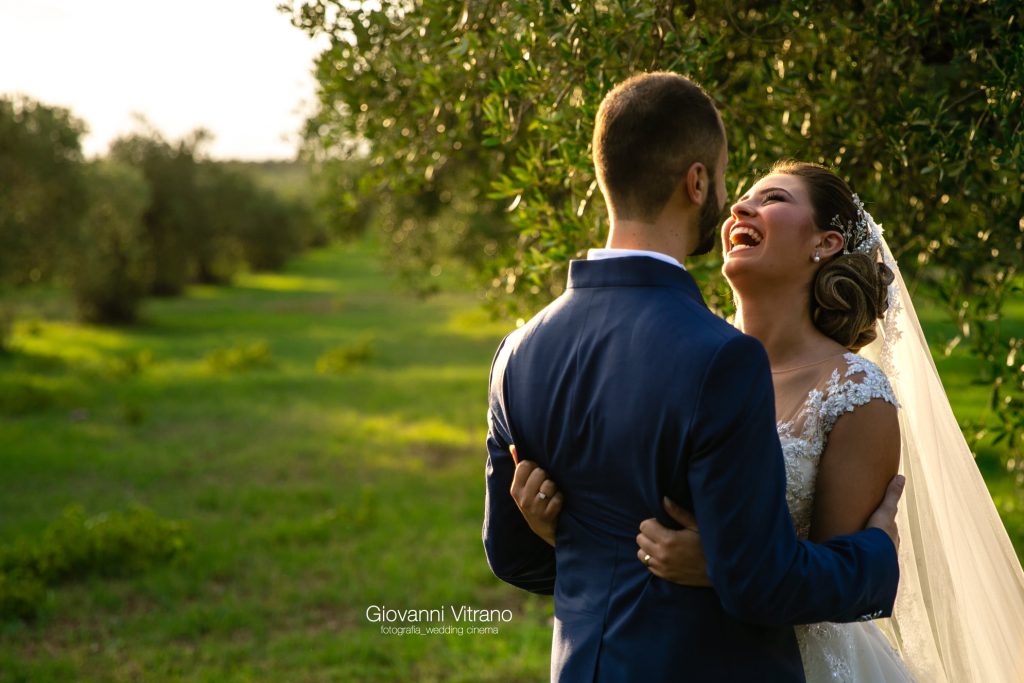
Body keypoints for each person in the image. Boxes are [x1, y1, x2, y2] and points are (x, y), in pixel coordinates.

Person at [514, 161, 1024, 681]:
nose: (739, 208)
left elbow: (830, 586)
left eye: (774, 199)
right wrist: (557, 526)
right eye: (742, 198)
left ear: (823, 244)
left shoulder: (855, 394)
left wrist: (722, 570)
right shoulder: (683, 356)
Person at [482, 72, 906, 682]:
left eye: (774, 198)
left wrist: (572, 535)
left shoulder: (516, 352)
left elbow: (510, 558)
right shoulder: (720, 358)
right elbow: (761, 582)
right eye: (735, 184)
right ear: (697, 181)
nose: (738, 204)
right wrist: (877, 552)